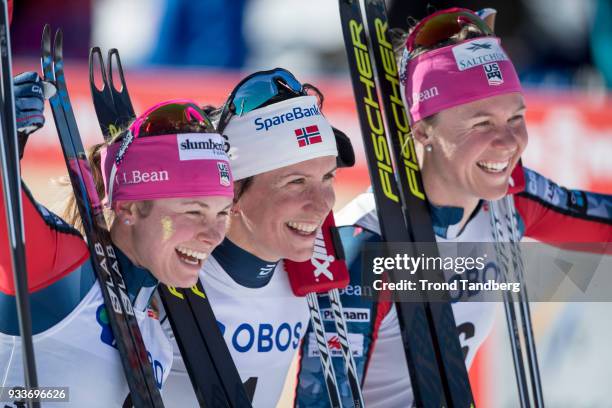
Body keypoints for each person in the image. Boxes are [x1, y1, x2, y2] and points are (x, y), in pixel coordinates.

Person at [294, 7, 612, 407]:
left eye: (516, 117)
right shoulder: (365, 246)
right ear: (424, 129)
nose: (507, 142)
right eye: (481, 124)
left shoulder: (506, 201)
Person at [0, 78, 235, 407]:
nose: (214, 235)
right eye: (193, 212)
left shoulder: (156, 338)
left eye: (223, 213)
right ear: (130, 208)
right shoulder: (64, 278)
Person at [161, 68, 355, 407]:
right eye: (295, 182)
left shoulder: (314, 268)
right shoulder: (164, 274)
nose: (323, 203)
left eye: (327, 177)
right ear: (232, 192)